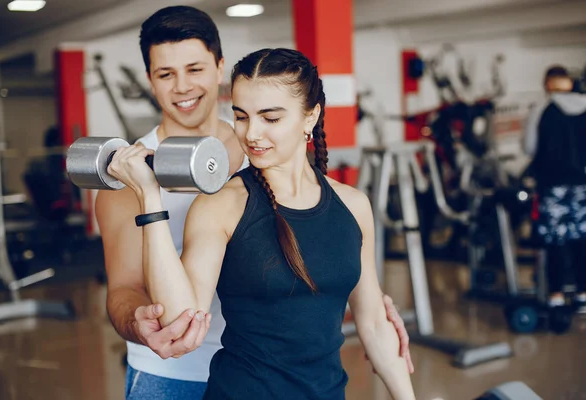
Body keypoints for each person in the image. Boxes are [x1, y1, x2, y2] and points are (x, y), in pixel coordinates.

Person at [95, 6, 413, 399]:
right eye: (165, 74)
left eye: (194, 69)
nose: (182, 86)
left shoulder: (259, 152)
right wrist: (139, 322)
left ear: (218, 67)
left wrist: (357, 297)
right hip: (174, 370)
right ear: (150, 79)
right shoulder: (135, 173)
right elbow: (126, 291)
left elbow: (320, 252)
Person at [523, 65, 586, 308]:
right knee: (582, 237)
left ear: (548, 82)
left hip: (552, 184)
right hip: (583, 183)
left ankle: (557, 295)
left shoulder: (542, 108)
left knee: (555, 238)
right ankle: (583, 294)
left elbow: (529, 147)